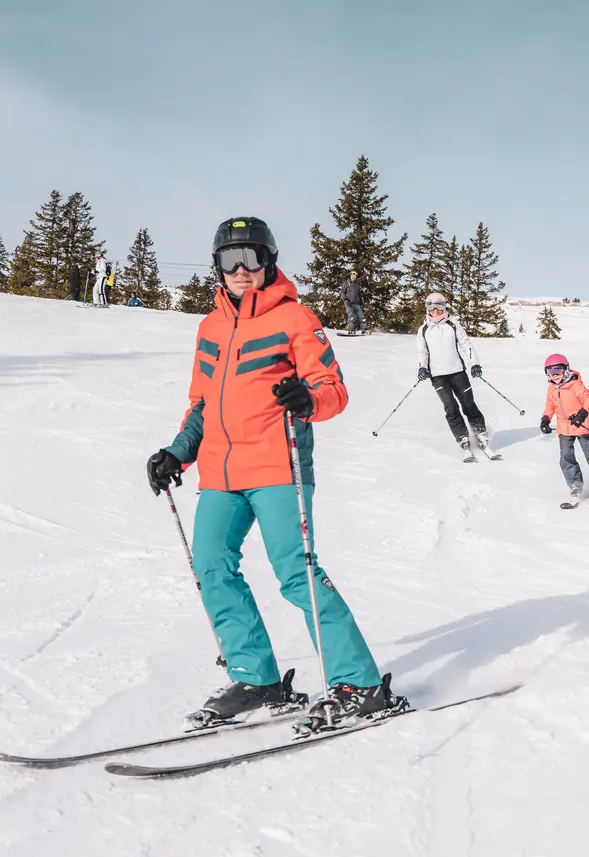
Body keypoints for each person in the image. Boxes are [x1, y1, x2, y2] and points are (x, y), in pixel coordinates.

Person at [144, 216, 400, 733]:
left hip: (279, 466)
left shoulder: (297, 320)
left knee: (297, 574)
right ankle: (256, 677)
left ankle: (359, 684)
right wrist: (178, 453)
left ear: (270, 262)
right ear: (216, 266)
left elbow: (333, 389)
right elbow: (201, 403)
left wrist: (309, 399)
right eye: (229, 260)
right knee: (212, 567)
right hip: (219, 470)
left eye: (252, 258)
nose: (241, 270)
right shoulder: (210, 326)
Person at [415, 291, 489, 453]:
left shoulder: (453, 324)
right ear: (427, 308)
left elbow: (466, 344)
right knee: (450, 406)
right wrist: (422, 367)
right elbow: (423, 352)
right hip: (437, 376)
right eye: (431, 306)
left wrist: (474, 364)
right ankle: (461, 435)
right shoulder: (424, 330)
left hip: (458, 373)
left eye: (439, 306)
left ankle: (480, 431)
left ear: (445, 306)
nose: (436, 310)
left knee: (468, 404)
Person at [539, 353, 589, 504]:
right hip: (564, 429)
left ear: (566, 369)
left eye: (558, 371)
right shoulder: (552, 389)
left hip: (582, 427)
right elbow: (550, 406)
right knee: (566, 458)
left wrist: (581, 414)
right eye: (550, 372)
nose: (554, 375)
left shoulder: (575, 385)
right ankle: (575, 485)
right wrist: (545, 419)